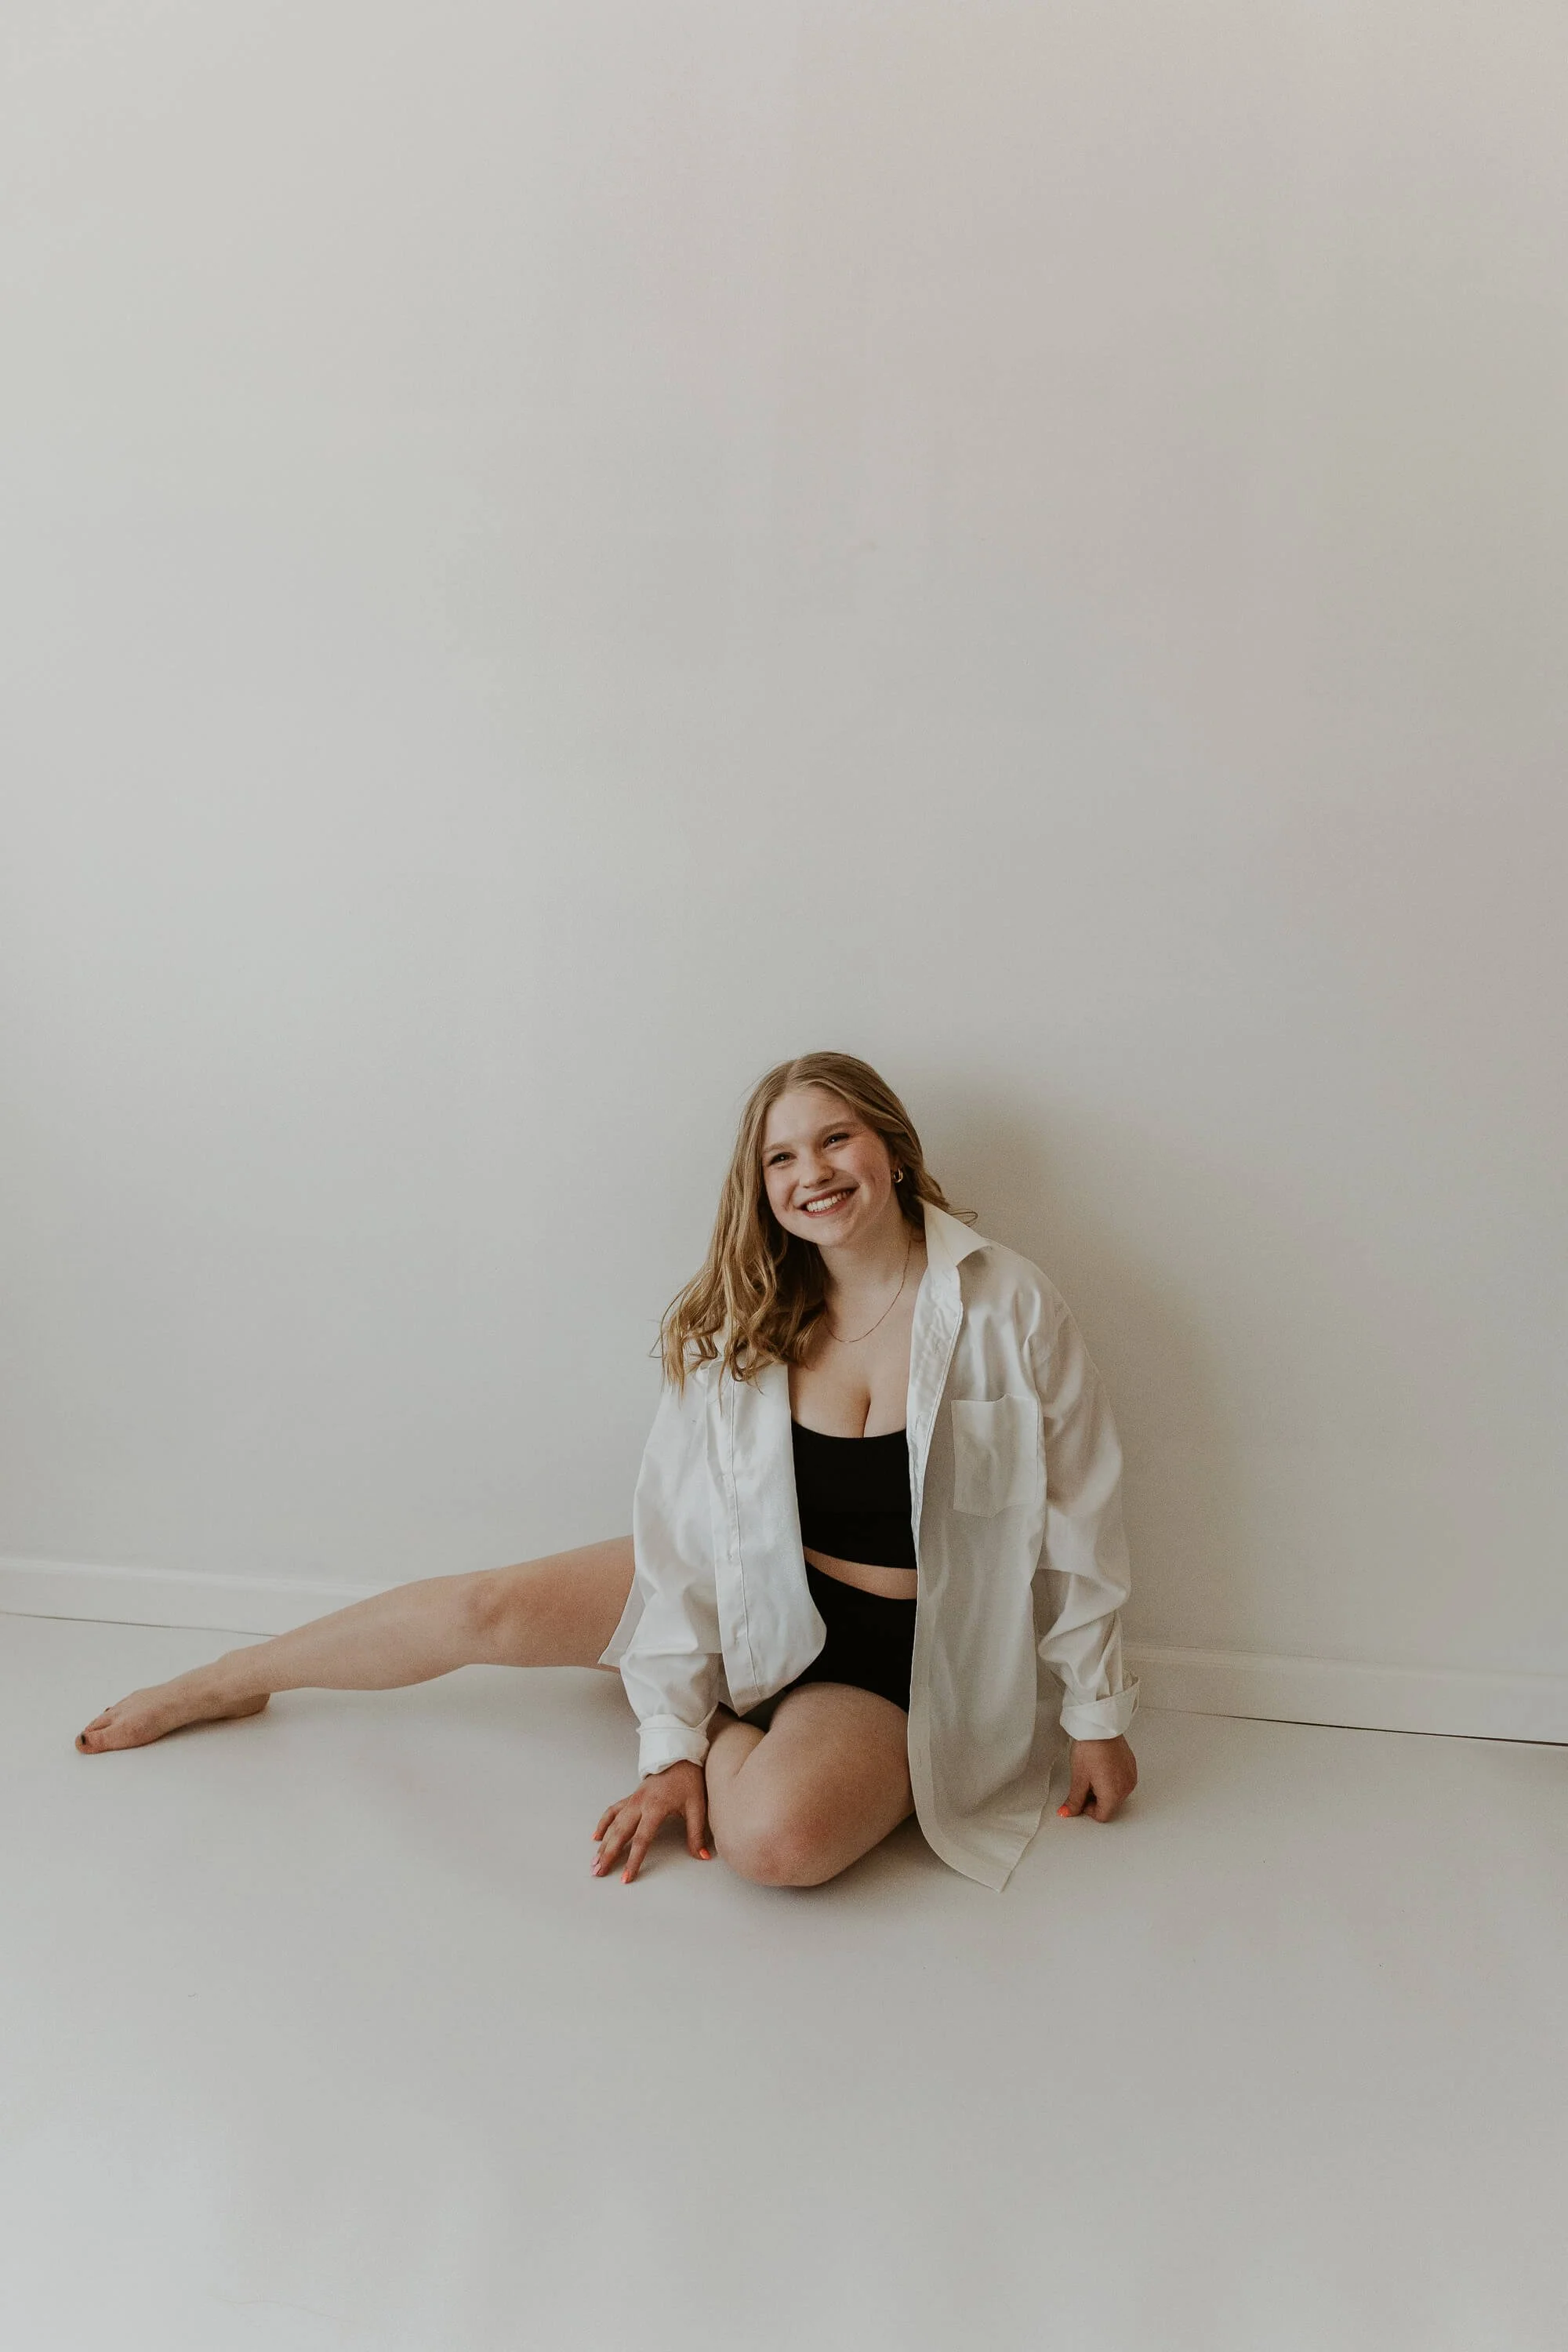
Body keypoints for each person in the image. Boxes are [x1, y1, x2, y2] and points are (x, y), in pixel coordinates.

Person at [76, 1053, 1139, 1891]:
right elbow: (682, 1536)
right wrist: (665, 1757)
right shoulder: (748, 1321)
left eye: (836, 1140)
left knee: (779, 1844)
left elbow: (1078, 1513)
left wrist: (1096, 1716)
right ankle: (221, 1683)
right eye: (781, 1159)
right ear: (759, 1186)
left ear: (892, 1149)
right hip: (747, 1587)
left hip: (894, 1660)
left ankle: (687, 1699)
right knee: (486, 1607)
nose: (811, 1173)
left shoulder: (1008, 1306)